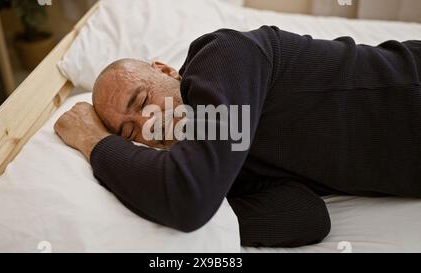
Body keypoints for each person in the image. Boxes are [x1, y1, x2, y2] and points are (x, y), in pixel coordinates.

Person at [54, 26, 421, 247]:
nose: (149, 122)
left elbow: (186, 197)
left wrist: (95, 141)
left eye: (142, 100)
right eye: (131, 132)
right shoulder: (215, 161)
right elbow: (305, 217)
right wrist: (179, 208)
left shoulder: (223, 57)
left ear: (164, 69)